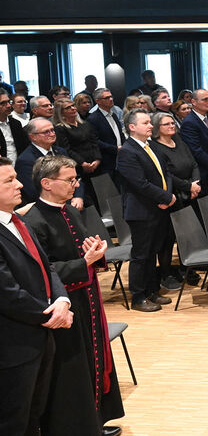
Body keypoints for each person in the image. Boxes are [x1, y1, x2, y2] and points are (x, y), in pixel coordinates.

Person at [22, 155, 125, 435]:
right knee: (73, 372)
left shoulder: (69, 211)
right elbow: (42, 271)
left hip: (87, 298)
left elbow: (81, 252)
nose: (75, 185)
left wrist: (94, 253)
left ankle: (95, 422)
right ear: (47, 183)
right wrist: (85, 262)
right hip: (65, 304)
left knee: (94, 361)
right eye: (69, 180)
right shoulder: (34, 221)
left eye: (75, 179)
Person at [0, 156, 73, 436]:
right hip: (13, 345)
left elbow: (47, 267)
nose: (19, 184)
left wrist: (62, 301)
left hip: (40, 337)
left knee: (34, 415)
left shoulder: (19, 220)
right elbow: (7, 293)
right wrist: (51, 315)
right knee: (13, 421)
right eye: (9, 180)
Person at [115, 109, 175, 312]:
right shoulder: (127, 152)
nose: (151, 125)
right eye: (146, 123)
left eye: (150, 122)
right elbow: (139, 184)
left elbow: (166, 172)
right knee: (141, 255)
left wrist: (168, 196)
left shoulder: (151, 146)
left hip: (159, 207)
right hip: (141, 211)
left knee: (153, 253)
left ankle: (151, 290)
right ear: (132, 127)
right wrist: (165, 197)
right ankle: (138, 296)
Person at [152, 111, 201, 290]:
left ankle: (186, 268)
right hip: (172, 196)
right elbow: (167, 174)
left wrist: (195, 184)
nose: (172, 126)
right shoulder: (155, 147)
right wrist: (188, 186)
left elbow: (193, 163)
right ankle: (166, 274)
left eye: (172, 123)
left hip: (189, 193)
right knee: (169, 238)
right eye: (167, 124)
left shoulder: (178, 140)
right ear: (157, 128)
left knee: (187, 235)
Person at [16, 118, 85, 207]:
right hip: (50, 207)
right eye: (46, 132)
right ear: (33, 137)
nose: (52, 134)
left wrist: (78, 197)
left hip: (73, 201)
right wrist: (66, 203)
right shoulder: (26, 160)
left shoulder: (61, 151)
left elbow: (76, 177)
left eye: (52, 130)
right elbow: (35, 192)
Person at [53, 97, 102, 192]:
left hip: (95, 164)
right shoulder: (60, 128)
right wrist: (82, 163)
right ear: (61, 112)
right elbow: (66, 149)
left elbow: (94, 142)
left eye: (73, 105)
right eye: (68, 108)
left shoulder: (85, 124)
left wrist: (97, 159)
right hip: (78, 167)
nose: (73, 108)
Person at [178, 89, 208, 196]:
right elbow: (196, 151)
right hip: (205, 173)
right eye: (205, 100)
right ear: (193, 102)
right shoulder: (189, 122)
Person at [88, 88, 123, 176]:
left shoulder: (114, 115)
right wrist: (115, 149)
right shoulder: (93, 118)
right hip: (106, 161)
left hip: (120, 158)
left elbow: (120, 133)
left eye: (111, 96)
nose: (111, 99)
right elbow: (95, 141)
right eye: (107, 98)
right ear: (98, 101)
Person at [1, 90, 29, 162]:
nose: (8, 106)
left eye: (8, 102)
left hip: (19, 165)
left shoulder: (16, 123)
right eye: (3, 103)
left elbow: (24, 147)